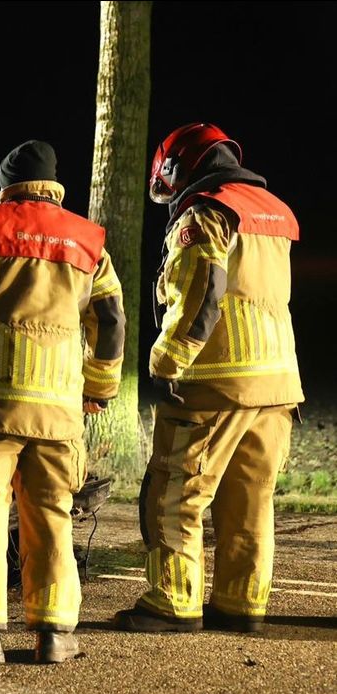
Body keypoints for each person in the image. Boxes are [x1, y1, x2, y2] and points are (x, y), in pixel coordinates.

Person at [0, 140, 125, 665]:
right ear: (54, 184)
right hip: (59, 411)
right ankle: (55, 635)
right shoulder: (88, 242)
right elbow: (110, 322)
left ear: (7, 185)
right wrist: (98, 389)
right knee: (52, 519)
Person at [114, 123, 303, 634]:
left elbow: (202, 290)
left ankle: (173, 603)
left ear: (177, 169)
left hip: (214, 380)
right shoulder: (273, 210)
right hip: (278, 382)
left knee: (175, 493)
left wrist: (167, 361)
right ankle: (242, 605)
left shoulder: (205, 213)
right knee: (250, 498)